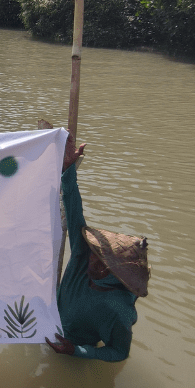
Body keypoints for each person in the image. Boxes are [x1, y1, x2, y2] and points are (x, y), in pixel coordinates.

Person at [45, 135, 151, 362]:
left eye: (102, 264)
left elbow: (119, 353)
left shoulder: (118, 310)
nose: (92, 261)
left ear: (115, 274)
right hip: (50, 320)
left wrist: (76, 351)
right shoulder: (85, 255)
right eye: (96, 255)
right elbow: (74, 210)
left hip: (76, 346)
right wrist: (68, 169)